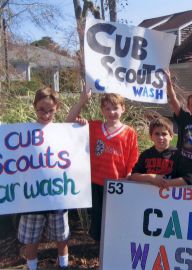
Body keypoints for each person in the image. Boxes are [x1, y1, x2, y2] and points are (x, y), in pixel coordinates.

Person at [66, 90, 139, 241]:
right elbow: (69, 121)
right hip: (96, 182)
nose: (112, 112)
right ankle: (99, 249)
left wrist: (130, 176)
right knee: (97, 218)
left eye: (115, 108)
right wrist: (82, 100)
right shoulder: (94, 126)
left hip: (117, 183)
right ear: (102, 110)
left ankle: (114, 248)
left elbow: (133, 157)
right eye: (107, 108)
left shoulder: (129, 132)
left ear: (123, 109)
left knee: (115, 219)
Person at [17, 87, 69, 270]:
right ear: (34, 107)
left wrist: (81, 118)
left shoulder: (63, 131)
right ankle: (32, 267)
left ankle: (64, 265)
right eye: (41, 109)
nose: (46, 114)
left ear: (57, 109)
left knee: (61, 236)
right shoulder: (23, 133)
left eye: (50, 110)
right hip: (33, 197)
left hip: (57, 195)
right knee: (32, 239)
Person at [130, 117, 189, 187]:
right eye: (157, 134)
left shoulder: (179, 155)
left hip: (171, 195)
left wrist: (164, 183)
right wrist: (151, 178)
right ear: (151, 137)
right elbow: (134, 176)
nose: (160, 137)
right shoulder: (145, 155)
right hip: (147, 195)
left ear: (171, 136)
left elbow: (187, 179)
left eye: (164, 134)